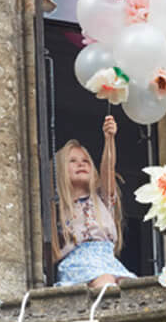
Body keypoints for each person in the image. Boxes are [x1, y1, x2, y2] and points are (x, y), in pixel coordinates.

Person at [52, 115, 135, 292]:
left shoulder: (101, 200)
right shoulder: (59, 206)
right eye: (72, 161)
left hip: (107, 260)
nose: (80, 164)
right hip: (78, 263)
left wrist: (109, 139)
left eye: (86, 161)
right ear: (60, 170)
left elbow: (108, 169)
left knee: (130, 287)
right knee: (106, 283)